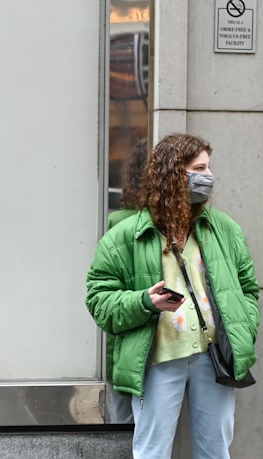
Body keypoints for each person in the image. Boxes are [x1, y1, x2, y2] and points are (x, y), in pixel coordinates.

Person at [85, 133, 261, 459]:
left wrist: (244, 329)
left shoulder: (222, 229)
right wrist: (146, 301)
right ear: (170, 174)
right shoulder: (128, 234)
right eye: (197, 168)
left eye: (208, 166)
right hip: (158, 362)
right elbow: (98, 298)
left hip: (211, 360)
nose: (206, 176)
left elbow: (248, 287)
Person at [105, 137, 149, 424]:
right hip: (146, 340)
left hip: (126, 338)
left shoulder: (117, 221)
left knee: (123, 422)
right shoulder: (123, 224)